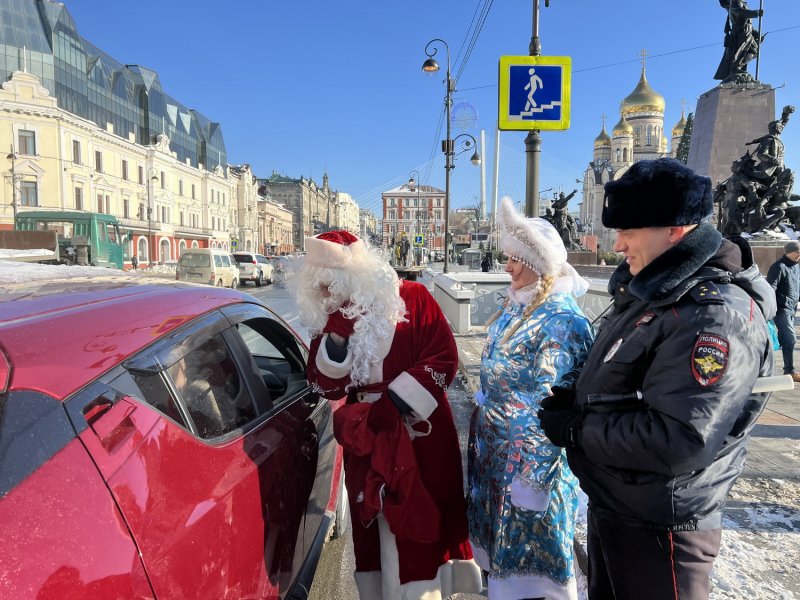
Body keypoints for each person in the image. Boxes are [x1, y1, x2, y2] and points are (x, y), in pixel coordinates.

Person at [538, 158, 776, 599]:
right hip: (622, 505)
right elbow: (627, 376)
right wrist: (577, 397)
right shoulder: (655, 293)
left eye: (630, 230)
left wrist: (576, 427)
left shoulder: (711, 314)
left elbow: (680, 437)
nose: (619, 243)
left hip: (662, 527)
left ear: (675, 229)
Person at [294, 230, 482, 599]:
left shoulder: (413, 298)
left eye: (330, 285)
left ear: (353, 277)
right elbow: (323, 386)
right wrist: (335, 343)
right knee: (376, 525)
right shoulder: (333, 320)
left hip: (419, 435)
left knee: (417, 523)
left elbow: (444, 357)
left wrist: (395, 402)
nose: (326, 296)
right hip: (368, 440)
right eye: (320, 288)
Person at [467, 197, 594, 599]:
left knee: (536, 577)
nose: (506, 267)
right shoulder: (519, 308)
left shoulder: (561, 320)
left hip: (531, 474)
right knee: (502, 570)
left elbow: (551, 402)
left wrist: (531, 482)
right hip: (499, 464)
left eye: (514, 259)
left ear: (537, 264)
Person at [767, 240, 800, 383]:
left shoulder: (796, 267)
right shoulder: (779, 267)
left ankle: (770, 367)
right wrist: (770, 308)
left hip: (792, 308)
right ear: (788, 252)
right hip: (781, 309)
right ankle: (790, 370)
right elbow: (770, 288)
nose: (799, 254)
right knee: (790, 338)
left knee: (784, 340)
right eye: (797, 251)